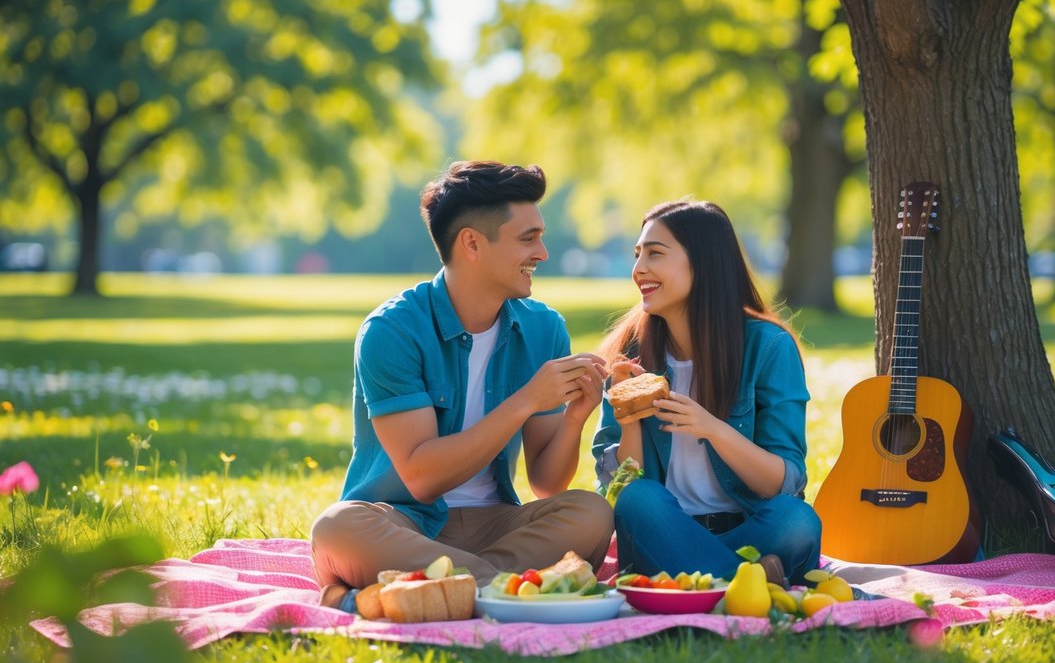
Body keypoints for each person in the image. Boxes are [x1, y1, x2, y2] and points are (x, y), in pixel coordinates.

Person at [312, 160, 614, 610]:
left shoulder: (544, 328)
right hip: (403, 523)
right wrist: (526, 399)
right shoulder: (392, 331)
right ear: (472, 243)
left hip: (497, 522)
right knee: (336, 528)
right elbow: (422, 479)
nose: (543, 253)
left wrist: (574, 418)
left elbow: (547, 484)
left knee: (592, 513)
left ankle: (425, 589)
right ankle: (506, 590)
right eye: (528, 239)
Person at [592, 199, 821, 587]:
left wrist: (712, 428)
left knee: (797, 521)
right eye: (637, 254)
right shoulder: (631, 352)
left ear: (703, 262)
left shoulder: (767, 347)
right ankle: (745, 583)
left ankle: (705, 582)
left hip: (749, 531)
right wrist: (628, 418)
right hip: (665, 531)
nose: (638, 269)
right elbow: (622, 487)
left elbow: (782, 482)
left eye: (655, 253)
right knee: (638, 500)